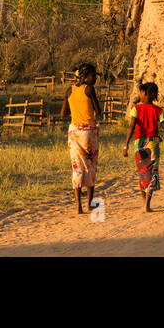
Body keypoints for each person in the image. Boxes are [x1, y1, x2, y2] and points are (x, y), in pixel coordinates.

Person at [122, 82, 164, 212]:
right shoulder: (159, 111)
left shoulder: (136, 109)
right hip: (152, 144)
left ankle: (144, 202)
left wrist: (126, 145)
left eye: (142, 92)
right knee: (152, 173)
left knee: (143, 173)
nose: (140, 95)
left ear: (148, 94)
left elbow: (131, 127)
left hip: (139, 144)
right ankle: (147, 204)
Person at [61, 62, 102, 214]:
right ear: (85, 76)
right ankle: (90, 204)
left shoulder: (69, 90)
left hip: (74, 132)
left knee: (77, 167)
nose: (95, 78)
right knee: (90, 167)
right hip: (89, 132)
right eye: (93, 75)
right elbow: (98, 110)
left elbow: (63, 113)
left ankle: (78, 206)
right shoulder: (89, 89)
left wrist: (76, 110)